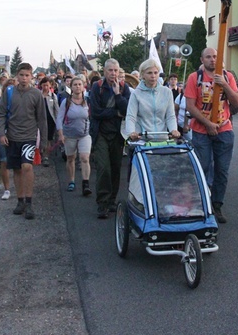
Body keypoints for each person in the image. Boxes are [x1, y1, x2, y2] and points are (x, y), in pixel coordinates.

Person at [184, 47, 238, 223]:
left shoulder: (228, 76)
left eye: (215, 57)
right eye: (208, 57)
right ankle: (200, 204)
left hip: (224, 130)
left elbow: (237, 102)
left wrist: (224, 84)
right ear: (202, 59)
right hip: (201, 131)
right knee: (202, 168)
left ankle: (217, 206)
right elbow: (190, 106)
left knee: (221, 171)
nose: (212, 60)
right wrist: (207, 123)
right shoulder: (195, 78)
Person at [0, 62, 47, 220]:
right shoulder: (9, 92)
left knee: (26, 166)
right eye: (21, 75)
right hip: (12, 137)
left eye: (27, 75)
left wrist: (44, 141)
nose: (24, 78)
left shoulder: (36, 94)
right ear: (17, 76)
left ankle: (30, 201)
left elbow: (42, 119)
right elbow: (1, 113)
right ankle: (20, 200)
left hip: (29, 137)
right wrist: (2, 133)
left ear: (31, 77)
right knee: (16, 169)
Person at [89, 58, 131, 219]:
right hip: (101, 134)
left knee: (115, 168)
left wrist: (117, 95)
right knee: (103, 168)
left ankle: (112, 199)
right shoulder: (96, 88)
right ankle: (102, 203)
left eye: (116, 70)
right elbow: (96, 113)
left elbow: (127, 110)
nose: (113, 73)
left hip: (118, 134)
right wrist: (115, 113)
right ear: (104, 71)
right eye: (110, 70)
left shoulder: (124, 88)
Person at [125, 58, 181, 142]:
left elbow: (170, 115)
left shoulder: (167, 92)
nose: (153, 76)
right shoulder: (136, 94)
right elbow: (131, 116)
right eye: (149, 73)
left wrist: (173, 130)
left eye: (155, 72)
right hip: (143, 139)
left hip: (163, 139)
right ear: (143, 75)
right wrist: (131, 132)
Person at [56, 74, 92, 196]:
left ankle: (85, 183)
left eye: (79, 84)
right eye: (75, 85)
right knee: (70, 158)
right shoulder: (66, 102)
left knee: (84, 158)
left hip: (84, 135)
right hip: (69, 135)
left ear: (83, 87)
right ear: (71, 87)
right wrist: (61, 134)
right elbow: (59, 118)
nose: (77, 87)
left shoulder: (88, 102)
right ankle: (71, 181)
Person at [39, 77, 59, 167]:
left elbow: (56, 109)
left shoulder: (52, 96)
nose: (45, 87)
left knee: (49, 139)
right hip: (40, 120)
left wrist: (58, 120)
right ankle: (41, 153)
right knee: (41, 138)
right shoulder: (38, 95)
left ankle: (46, 156)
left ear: (50, 85)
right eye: (44, 85)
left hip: (50, 120)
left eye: (47, 85)